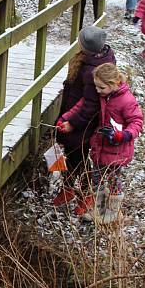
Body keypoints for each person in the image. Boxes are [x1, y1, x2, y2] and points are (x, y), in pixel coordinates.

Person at [53, 25, 116, 216]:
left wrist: (72, 123)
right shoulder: (96, 60)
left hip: (84, 125)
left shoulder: (92, 72)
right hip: (75, 117)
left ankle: (86, 194)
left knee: (79, 156)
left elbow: (90, 105)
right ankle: (69, 188)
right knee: (72, 156)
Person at [89, 63, 144, 224]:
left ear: (113, 84)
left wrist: (123, 135)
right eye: (96, 86)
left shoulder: (126, 100)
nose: (97, 90)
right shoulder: (105, 96)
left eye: (101, 87)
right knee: (96, 177)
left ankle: (113, 211)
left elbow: (137, 122)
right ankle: (97, 209)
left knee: (113, 179)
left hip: (116, 149)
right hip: (101, 146)